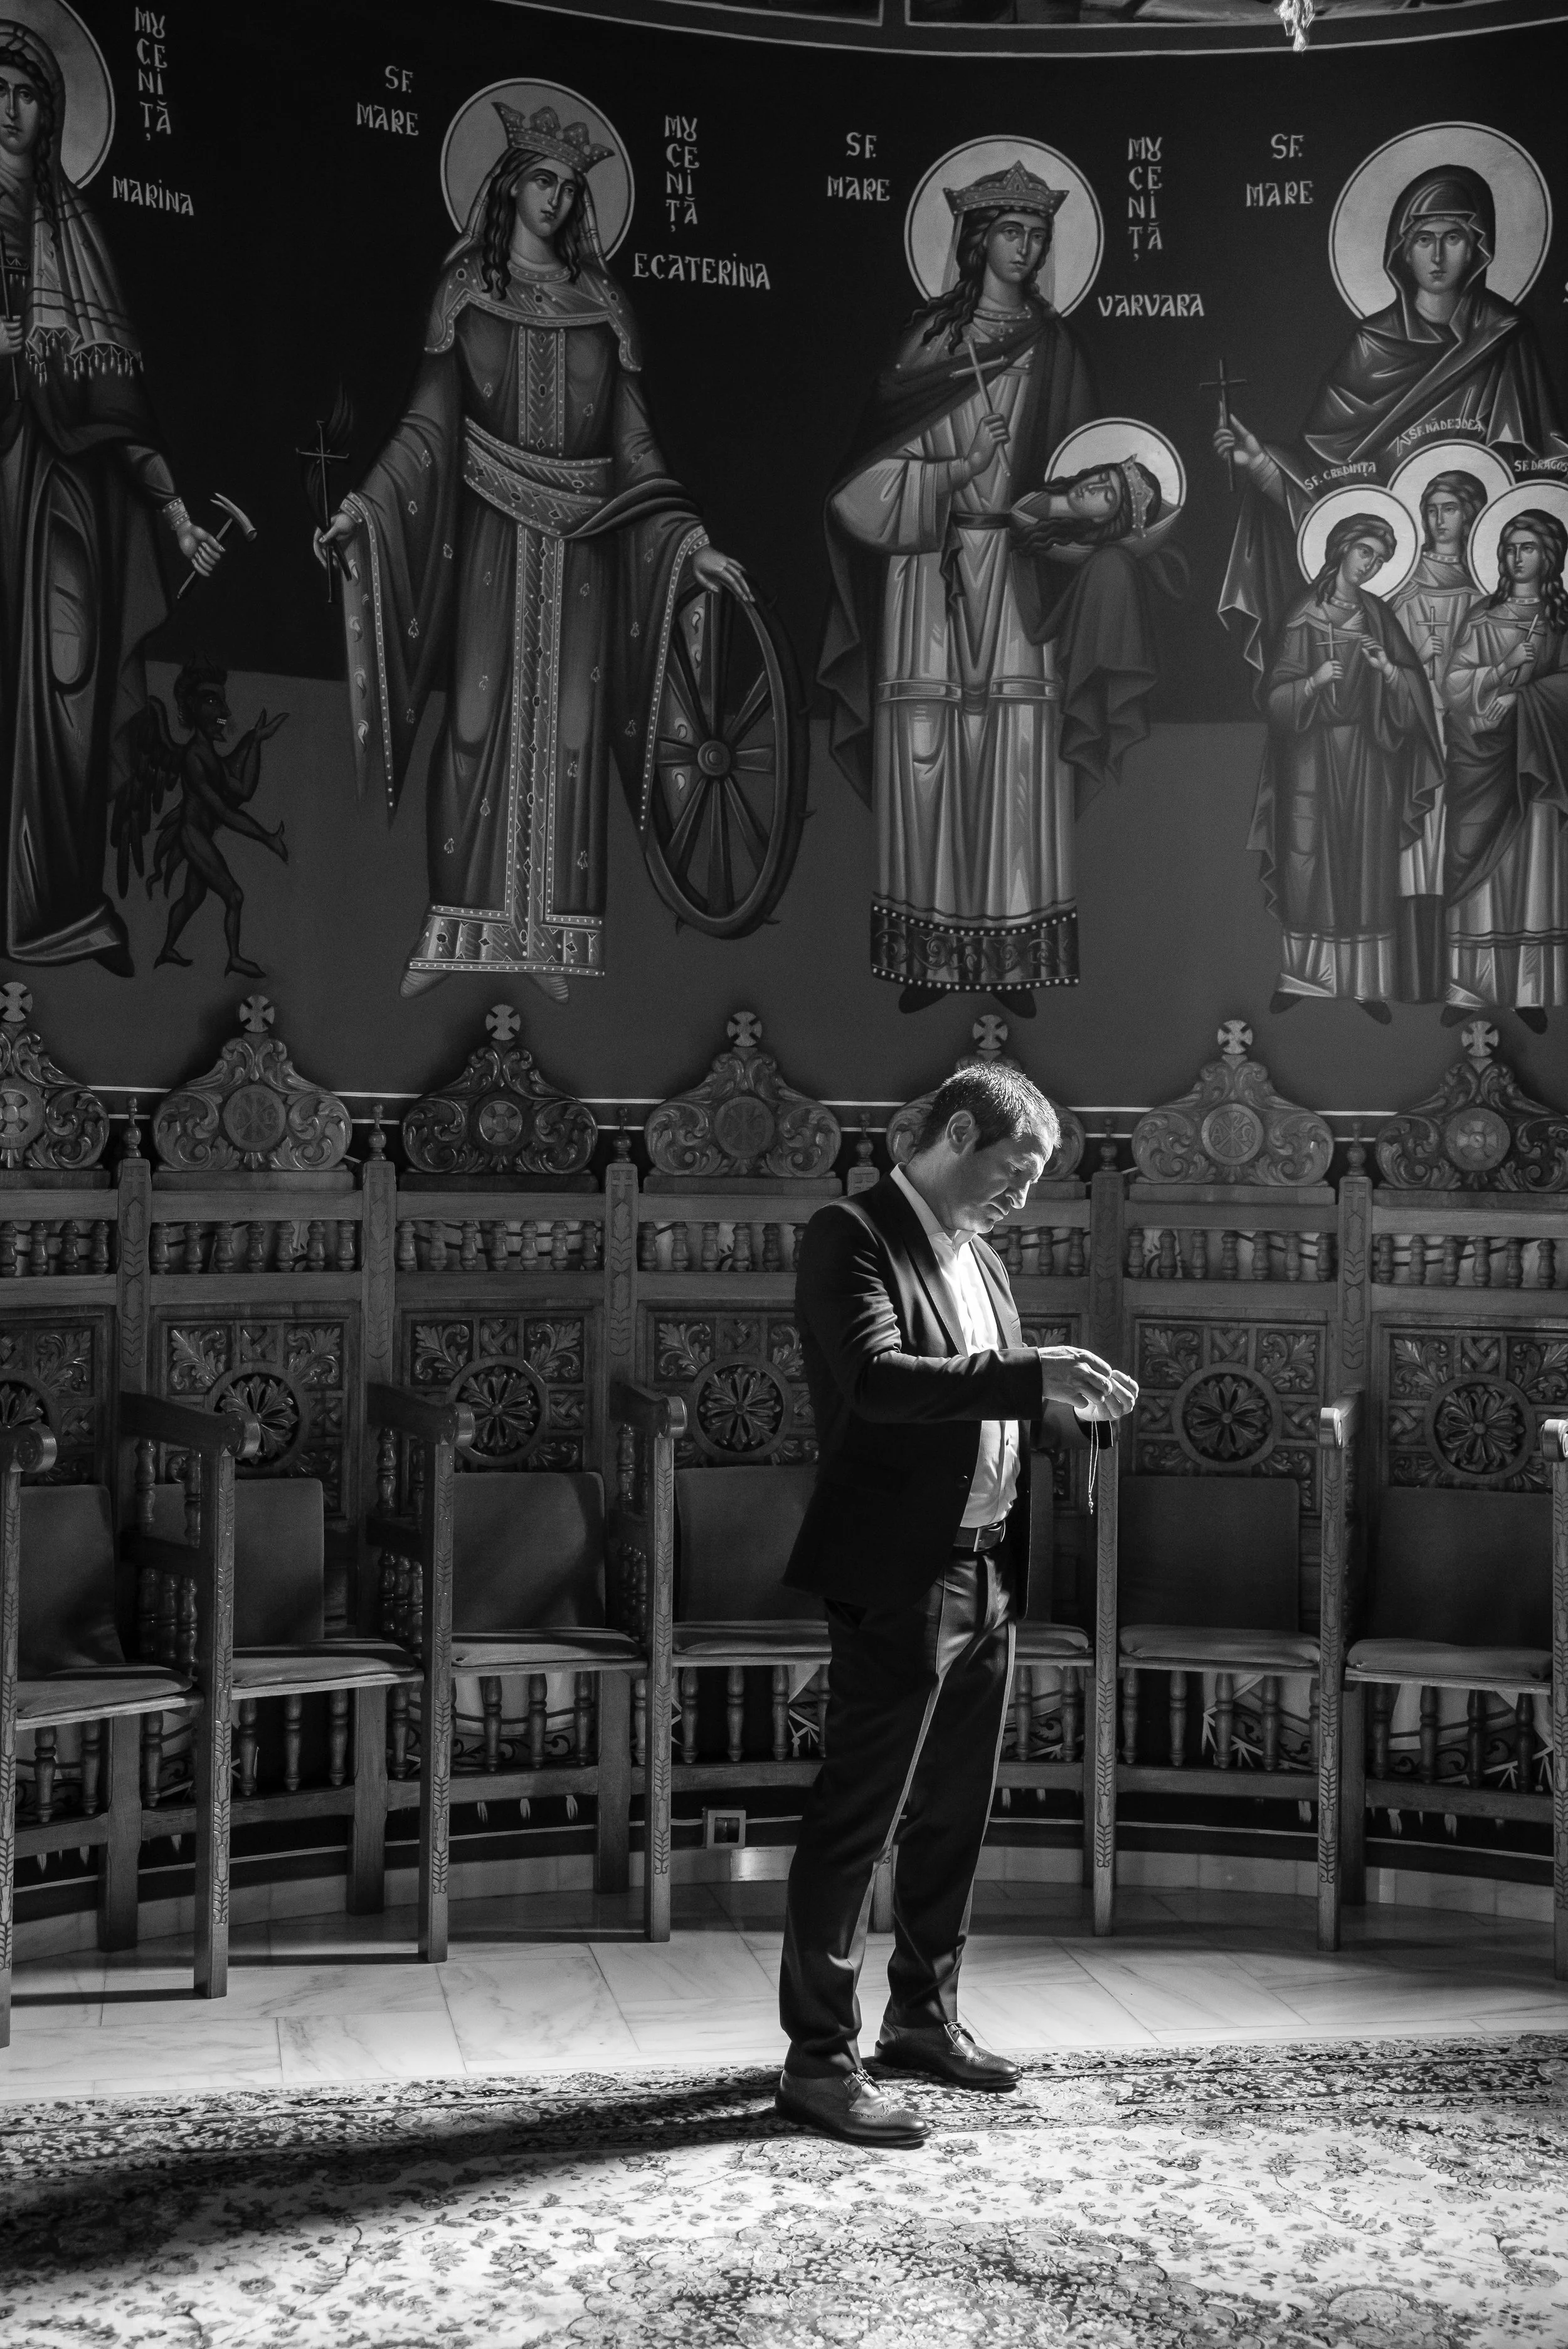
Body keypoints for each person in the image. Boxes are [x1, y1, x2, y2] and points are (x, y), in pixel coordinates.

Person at [775, 1061, 1137, 2148]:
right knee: (859, 1819)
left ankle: (922, 2020)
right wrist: (1035, 1373)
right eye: (1017, 1169)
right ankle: (817, 2061)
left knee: (955, 1815)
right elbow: (881, 1383)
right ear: (961, 1132)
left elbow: (992, 1403)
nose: (1023, 1195)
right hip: (900, 1573)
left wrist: (1067, 1414)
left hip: (988, 1566)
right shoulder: (849, 1235)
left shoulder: (979, 1254)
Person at [315, 102, 748, 1000]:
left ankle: (552, 935)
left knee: (574, 733)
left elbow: (635, 444)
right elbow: (427, 426)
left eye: (570, 187)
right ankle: (458, 929)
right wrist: (364, 507)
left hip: (588, 550)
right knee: (475, 721)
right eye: (543, 180)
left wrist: (690, 543)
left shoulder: (605, 306)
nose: (556, 199)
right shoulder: (466, 291)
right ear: (510, 186)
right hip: (491, 534)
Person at [818, 159, 1170, 1019]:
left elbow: (1089, 476)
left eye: (1039, 236)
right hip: (927, 571)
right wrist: (960, 469)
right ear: (977, 240)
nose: (1028, 249)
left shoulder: (1057, 348)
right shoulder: (926, 343)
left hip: (1022, 574)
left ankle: (1014, 954)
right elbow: (864, 485)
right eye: (1013, 232)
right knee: (926, 752)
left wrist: (1060, 520)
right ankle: (927, 953)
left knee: (1017, 756)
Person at [0, 22, 224, 973]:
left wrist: (173, 512)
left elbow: (118, 398)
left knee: (67, 682)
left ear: (52, 114)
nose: (10, 108)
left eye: (27, 92)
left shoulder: (73, 231)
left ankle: (52, 904)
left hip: (65, 493)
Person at [1215, 163, 1565, 676]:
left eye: (1453, 238)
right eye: (1424, 239)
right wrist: (1263, 465)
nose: (1438, 256)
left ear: (1478, 247)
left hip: (1488, 568)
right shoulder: (1370, 346)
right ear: (1403, 250)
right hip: (1394, 569)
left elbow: (1541, 460)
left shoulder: (1507, 338)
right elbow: (1328, 475)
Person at [1250, 512, 1444, 1018]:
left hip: (1369, 756)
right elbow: (1275, 701)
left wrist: (1388, 670)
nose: (1370, 565)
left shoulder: (1377, 615)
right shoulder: (1303, 613)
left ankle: (1365, 983)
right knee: (1307, 863)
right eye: (1365, 552)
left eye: (1378, 560)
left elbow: (1413, 695)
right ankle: (1303, 978)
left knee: (1366, 867)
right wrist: (1313, 682)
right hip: (1311, 757)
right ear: (1342, 548)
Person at [1440, 508, 1568, 1031]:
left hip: (1534, 762)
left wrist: (1523, 698)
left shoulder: (1561, 623)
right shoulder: (1483, 617)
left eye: (1528, 548)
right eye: (1510, 547)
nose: (1517, 557)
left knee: (1530, 869)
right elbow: (1453, 686)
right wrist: (1502, 667)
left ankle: (1528, 989)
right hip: (1480, 762)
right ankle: (1470, 987)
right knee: (1478, 874)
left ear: (1549, 557)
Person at [1389, 470, 1487, 997]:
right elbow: (1381, 674)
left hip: (1469, 742)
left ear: (1469, 516)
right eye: (1431, 508)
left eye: (1449, 508)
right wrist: (1414, 663)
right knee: (1415, 853)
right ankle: (1416, 975)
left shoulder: (1483, 594)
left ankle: (1466, 976)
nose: (1438, 518)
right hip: (1417, 740)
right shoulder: (1404, 596)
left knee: (1462, 850)